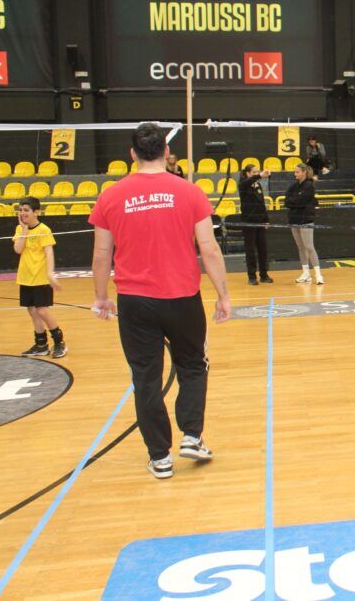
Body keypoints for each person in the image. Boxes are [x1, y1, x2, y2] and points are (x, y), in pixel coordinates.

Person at [90, 123, 230, 480]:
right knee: (193, 366)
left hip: (135, 302)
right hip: (183, 298)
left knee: (146, 378)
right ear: (167, 153)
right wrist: (223, 295)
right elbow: (209, 249)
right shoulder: (190, 192)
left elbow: (102, 254)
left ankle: (160, 456)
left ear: (132, 153)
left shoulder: (111, 196)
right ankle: (192, 436)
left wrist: (101, 297)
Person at [14, 197, 66, 358]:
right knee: (32, 310)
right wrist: (24, 231)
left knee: (42, 310)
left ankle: (60, 342)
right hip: (25, 277)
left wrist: (50, 273)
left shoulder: (44, 229)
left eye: (26, 210)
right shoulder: (19, 229)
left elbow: (49, 253)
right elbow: (18, 249)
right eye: (20, 210)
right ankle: (41, 345)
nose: (22, 213)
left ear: (36, 212)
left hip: (40, 277)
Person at [285, 163, 324, 285]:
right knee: (300, 247)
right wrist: (295, 201)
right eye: (295, 172)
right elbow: (286, 201)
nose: (295, 174)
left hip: (306, 219)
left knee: (309, 247)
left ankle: (318, 274)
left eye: (297, 172)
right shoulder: (293, 186)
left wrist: (294, 201)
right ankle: (306, 273)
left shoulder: (309, 186)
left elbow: (302, 201)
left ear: (304, 172)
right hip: (294, 219)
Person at [237, 164, 273, 285]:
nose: (256, 174)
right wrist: (260, 175)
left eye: (257, 172)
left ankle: (264, 275)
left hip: (260, 221)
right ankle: (252, 276)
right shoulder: (243, 185)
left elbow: (262, 204)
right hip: (248, 222)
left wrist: (266, 219)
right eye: (254, 172)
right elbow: (249, 181)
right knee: (250, 250)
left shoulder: (258, 185)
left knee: (263, 249)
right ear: (247, 173)